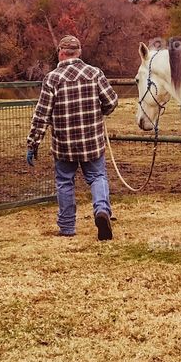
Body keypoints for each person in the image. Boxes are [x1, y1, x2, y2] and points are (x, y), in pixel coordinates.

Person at [26, 35, 119, 240]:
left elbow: (42, 114)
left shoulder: (52, 78)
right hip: (92, 141)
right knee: (97, 177)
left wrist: (33, 143)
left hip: (64, 144)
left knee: (64, 181)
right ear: (79, 52)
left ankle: (67, 227)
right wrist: (100, 111)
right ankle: (102, 211)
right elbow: (112, 101)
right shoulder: (95, 73)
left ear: (60, 53)